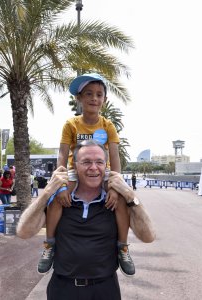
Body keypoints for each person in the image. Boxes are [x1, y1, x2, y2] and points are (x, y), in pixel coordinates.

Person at [17, 140, 155, 300]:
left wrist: (131, 195)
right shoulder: (61, 200)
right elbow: (24, 232)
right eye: (86, 162)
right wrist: (47, 192)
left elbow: (148, 236)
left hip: (105, 289)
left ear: (106, 166)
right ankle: (49, 246)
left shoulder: (117, 202)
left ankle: (123, 249)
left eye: (99, 162)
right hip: (62, 289)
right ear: (75, 166)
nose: (94, 167)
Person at [37, 73, 134, 276]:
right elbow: (63, 154)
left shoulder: (108, 126)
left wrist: (115, 187)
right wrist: (62, 185)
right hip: (76, 170)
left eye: (99, 94)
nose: (94, 98)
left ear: (104, 100)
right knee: (55, 200)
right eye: (88, 94)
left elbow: (114, 157)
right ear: (78, 98)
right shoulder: (71, 124)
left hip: (102, 171)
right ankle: (49, 245)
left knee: (124, 201)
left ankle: (123, 247)